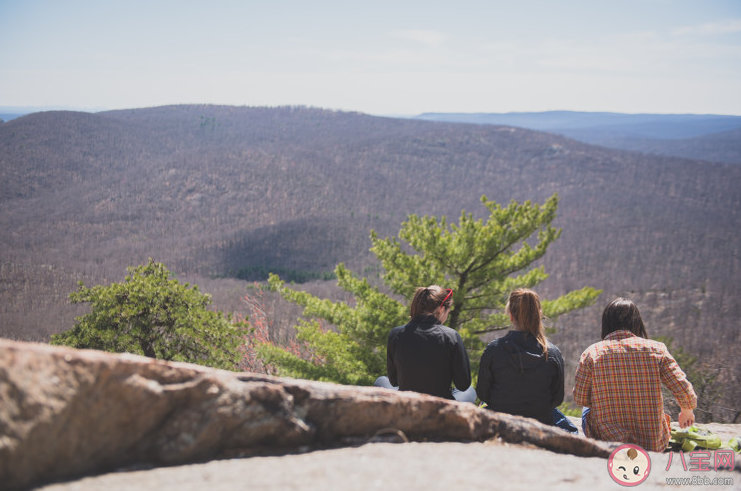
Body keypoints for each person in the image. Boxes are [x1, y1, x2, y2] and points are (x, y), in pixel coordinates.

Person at [573, 297, 697, 452]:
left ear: (606, 323)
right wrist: (687, 409)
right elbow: (681, 385)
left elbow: (580, 398)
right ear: (637, 322)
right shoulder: (656, 349)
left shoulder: (592, 353)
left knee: (587, 408)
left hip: (607, 441)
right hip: (652, 442)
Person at [476, 288, 577, 433]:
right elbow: (556, 400)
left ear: (511, 315)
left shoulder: (494, 349)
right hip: (540, 425)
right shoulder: (552, 353)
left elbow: (483, 394)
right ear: (538, 315)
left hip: (501, 424)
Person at [374, 285, 476, 403]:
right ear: (441, 309)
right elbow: (463, 385)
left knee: (381, 381)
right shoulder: (451, 336)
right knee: (470, 391)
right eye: (448, 311)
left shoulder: (396, 334)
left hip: (407, 402)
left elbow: (394, 381)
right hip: (441, 405)